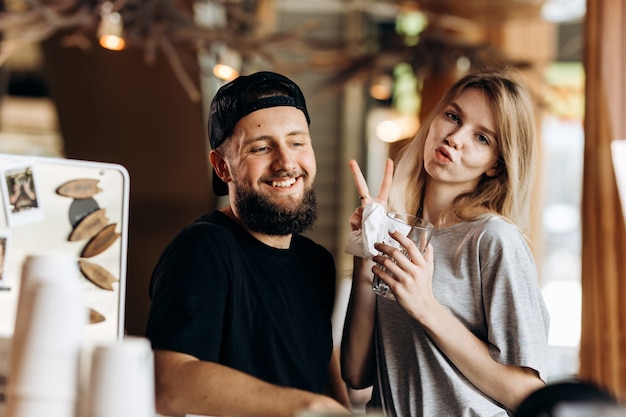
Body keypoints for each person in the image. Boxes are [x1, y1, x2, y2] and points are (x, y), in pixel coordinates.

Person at [341, 69, 550, 416]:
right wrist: (366, 249)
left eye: (482, 138)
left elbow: (529, 395)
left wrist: (426, 307)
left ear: (496, 165)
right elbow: (356, 373)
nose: (455, 137)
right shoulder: (399, 234)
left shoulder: (494, 239)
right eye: (453, 117)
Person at [145, 71, 351, 417]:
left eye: (297, 142)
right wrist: (310, 407)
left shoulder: (316, 261)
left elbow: (315, 363)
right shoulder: (202, 249)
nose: (286, 163)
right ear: (222, 167)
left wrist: (339, 405)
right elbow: (168, 382)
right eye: (261, 147)